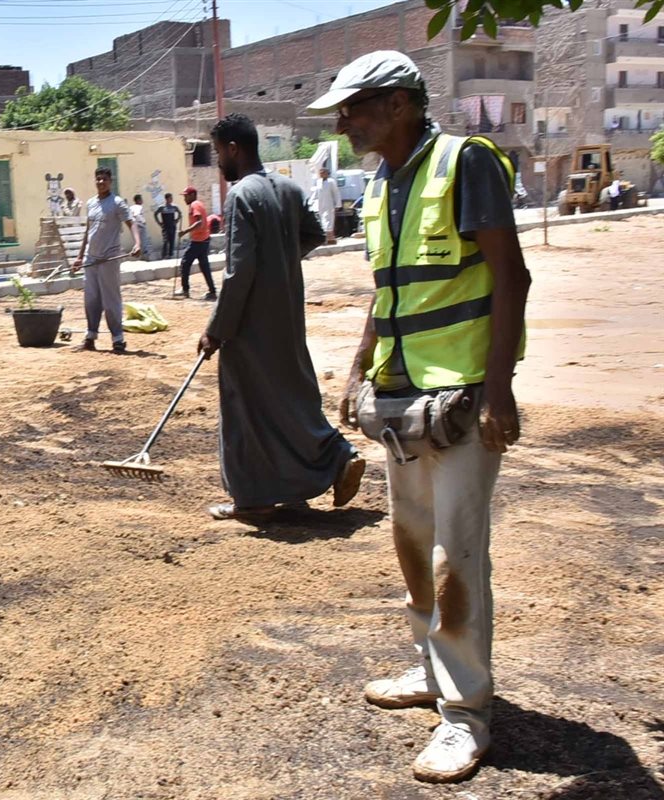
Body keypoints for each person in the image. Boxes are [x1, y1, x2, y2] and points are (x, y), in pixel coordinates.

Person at [311, 51, 531, 784]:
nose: (342, 121)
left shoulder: (464, 163)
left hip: (463, 397)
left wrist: (498, 389)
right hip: (402, 399)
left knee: (455, 555)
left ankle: (465, 716)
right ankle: (430, 667)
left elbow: (511, 275)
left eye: (354, 107)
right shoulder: (380, 183)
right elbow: (388, 289)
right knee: (412, 541)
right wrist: (358, 366)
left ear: (399, 104)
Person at [198, 113, 364, 524]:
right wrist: (281, 262)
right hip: (287, 313)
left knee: (245, 409)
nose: (219, 161)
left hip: (250, 324)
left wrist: (217, 330)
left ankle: (252, 499)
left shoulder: (241, 196)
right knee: (289, 398)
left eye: (219, 152)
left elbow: (238, 273)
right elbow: (313, 233)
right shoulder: (288, 189)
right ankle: (334, 459)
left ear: (234, 148)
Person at [73, 166, 141, 354]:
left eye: (104, 179)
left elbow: (131, 222)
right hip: (91, 258)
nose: (101, 182)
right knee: (91, 299)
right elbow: (88, 232)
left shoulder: (117, 203)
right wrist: (80, 257)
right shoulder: (91, 204)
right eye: (98, 179)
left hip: (109, 258)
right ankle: (90, 337)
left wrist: (137, 243)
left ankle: (117, 339)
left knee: (111, 300)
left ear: (110, 181)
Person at [177, 186, 216, 300]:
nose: (184, 198)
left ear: (192, 195)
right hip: (204, 240)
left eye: (186, 196)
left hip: (198, 241)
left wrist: (185, 231)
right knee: (204, 267)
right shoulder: (198, 204)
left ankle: (185, 290)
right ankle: (212, 291)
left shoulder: (195, 205)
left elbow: (199, 222)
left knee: (185, 263)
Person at [314, 166, 342, 244]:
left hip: (329, 204)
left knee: (329, 221)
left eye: (323, 173)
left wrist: (337, 205)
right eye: (320, 173)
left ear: (326, 173)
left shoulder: (331, 182)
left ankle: (329, 238)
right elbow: (316, 193)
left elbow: (336, 193)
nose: (321, 174)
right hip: (321, 204)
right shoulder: (318, 182)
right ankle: (329, 239)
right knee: (322, 221)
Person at [154, 192, 182, 259]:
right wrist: (159, 223)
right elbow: (155, 214)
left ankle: (170, 255)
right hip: (165, 226)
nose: (171, 199)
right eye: (170, 198)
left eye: (172, 198)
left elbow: (180, 213)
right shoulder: (162, 207)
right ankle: (164, 255)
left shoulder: (174, 207)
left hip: (172, 225)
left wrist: (177, 220)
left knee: (172, 240)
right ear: (166, 199)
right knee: (165, 241)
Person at [129, 194, 152, 260]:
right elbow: (137, 215)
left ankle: (140, 256)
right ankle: (145, 257)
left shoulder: (131, 207)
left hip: (133, 226)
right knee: (144, 241)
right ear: (138, 200)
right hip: (140, 225)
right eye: (141, 199)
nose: (142, 200)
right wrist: (143, 222)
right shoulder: (139, 207)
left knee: (138, 241)